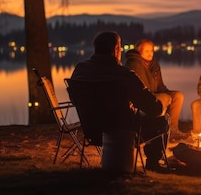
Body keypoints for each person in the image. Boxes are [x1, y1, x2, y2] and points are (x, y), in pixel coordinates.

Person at [70, 31, 170, 173]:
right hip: (124, 132)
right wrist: (163, 104)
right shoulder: (124, 75)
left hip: (92, 131)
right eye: (120, 48)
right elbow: (154, 109)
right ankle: (153, 163)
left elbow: (74, 100)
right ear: (116, 49)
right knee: (163, 119)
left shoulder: (80, 70)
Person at [125, 39, 187, 140]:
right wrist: (165, 96)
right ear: (139, 51)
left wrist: (169, 94)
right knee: (166, 98)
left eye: (152, 51)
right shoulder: (134, 64)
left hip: (156, 93)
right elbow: (140, 91)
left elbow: (160, 86)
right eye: (147, 51)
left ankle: (173, 129)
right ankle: (158, 133)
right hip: (144, 97)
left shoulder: (153, 64)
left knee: (178, 96)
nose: (150, 54)